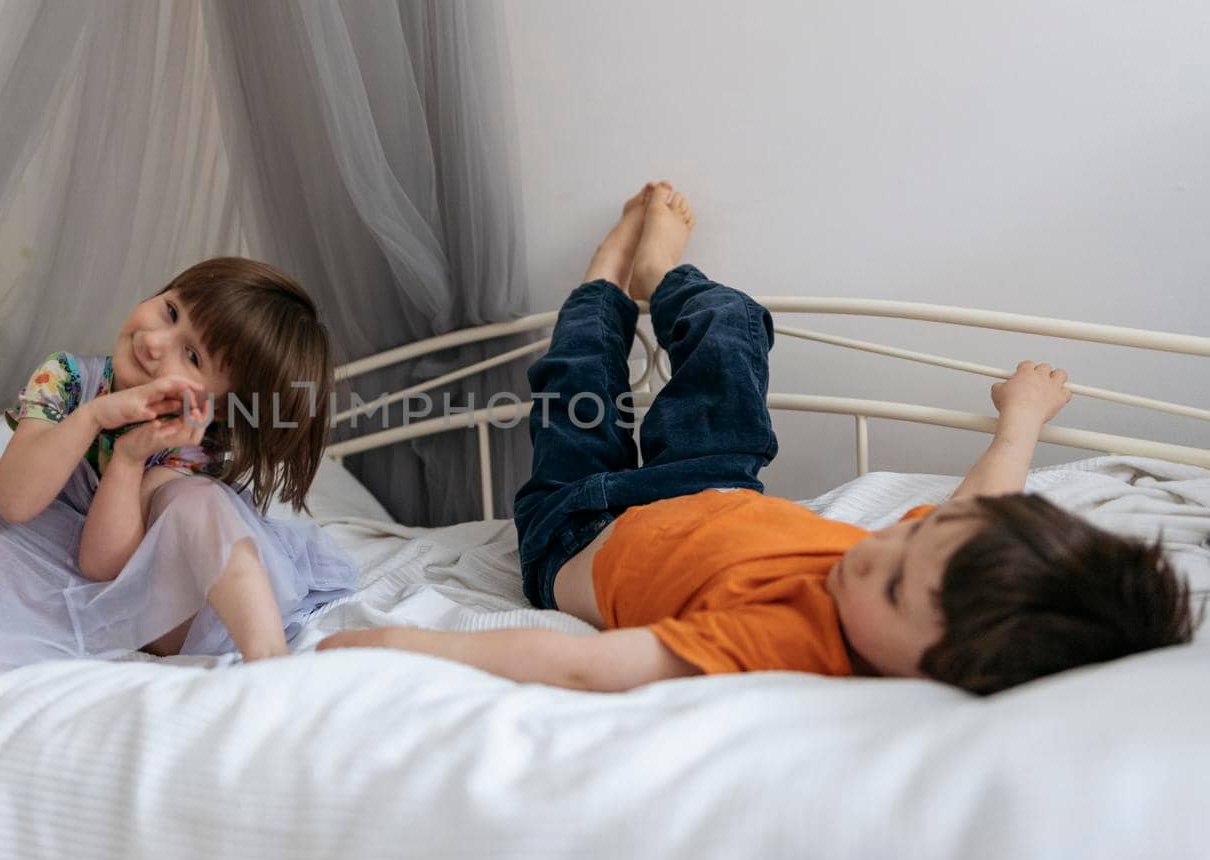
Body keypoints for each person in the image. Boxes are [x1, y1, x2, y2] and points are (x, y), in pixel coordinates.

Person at [320, 182, 1196, 694]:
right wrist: (1023, 417)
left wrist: (412, 646)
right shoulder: (940, 565)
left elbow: (590, 665)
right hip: (710, 487)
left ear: (930, 673)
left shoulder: (789, 644)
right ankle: (663, 279)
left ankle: (602, 282)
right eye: (912, 536)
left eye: (889, 588)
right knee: (734, 329)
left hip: (577, 531)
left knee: (577, 378)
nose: (873, 555)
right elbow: (988, 500)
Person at [0, 257, 356, 736]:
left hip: (183, 610)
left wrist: (133, 458)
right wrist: (96, 419)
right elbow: (15, 502)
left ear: (219, 407)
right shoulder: (67, 379)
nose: (155, 343)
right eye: (170, 311)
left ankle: (270, 662)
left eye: (192, 357)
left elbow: (110, 566)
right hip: (76, 581)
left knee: (197, 501)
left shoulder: (192, 439)